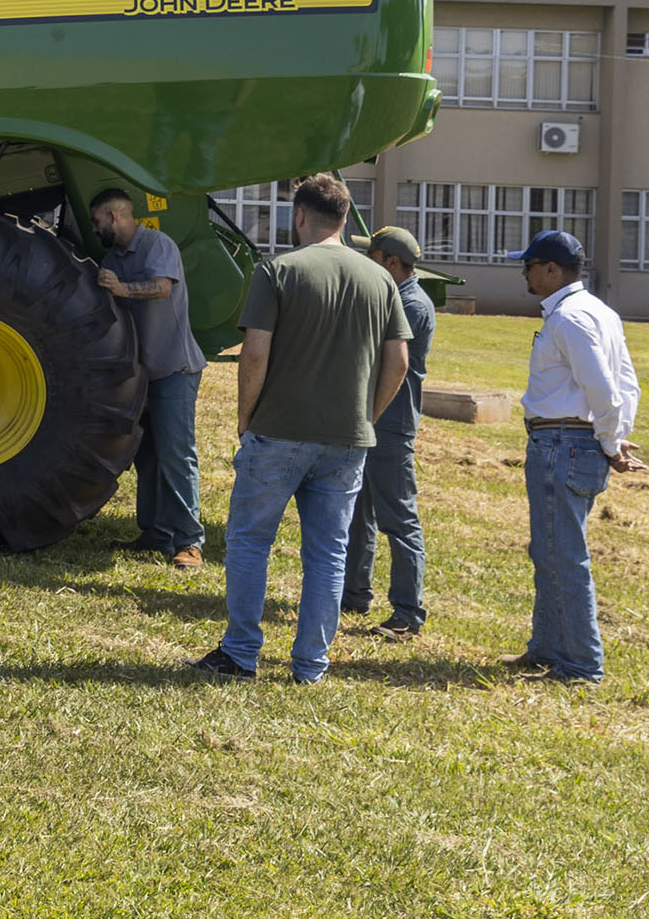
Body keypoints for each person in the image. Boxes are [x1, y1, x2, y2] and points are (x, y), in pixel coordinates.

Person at [194, 172, 407, 683]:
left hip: (279, 431)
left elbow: (255, 352)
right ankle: (311, 663)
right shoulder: (380, 279)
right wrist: (368, 417)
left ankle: (241, 653)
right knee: (328, 554)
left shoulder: (277, 270)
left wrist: (245, 416)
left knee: (250, 542)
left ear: (300, 216)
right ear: (344, 217)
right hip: (347, 438)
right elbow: (398, 361)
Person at [508, 228, 645, 684]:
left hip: (562, 444)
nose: (523, 273)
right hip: (574, 443)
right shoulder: (600, 313)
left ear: (551, 268)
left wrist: (611, 441)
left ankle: (582, 665)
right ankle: (546, 649)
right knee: (550, 551)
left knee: (564, 556)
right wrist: (615, 437)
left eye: (528, 265)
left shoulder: (569, 318)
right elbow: (627, 384)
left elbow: (605, 389)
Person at [91, 188, 210, 570]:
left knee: (177, 456)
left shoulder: (157, 244)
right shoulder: (113, 259)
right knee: (148, 457)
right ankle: (155, 535)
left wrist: (122, 288)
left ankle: (190, 543)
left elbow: (162, 287)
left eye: (97, 222)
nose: (96, 229)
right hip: (143, 375)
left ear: (114, 217)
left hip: (175, 369)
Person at [344, 225, 436, 638]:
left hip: (391, 427)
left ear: (391, 263)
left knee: (399, 520)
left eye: (373, 257)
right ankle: (353, 594)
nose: (367, 263)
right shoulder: (397, 297)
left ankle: (407, 613)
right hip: (371, 422)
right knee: (357, 513)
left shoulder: (412, 305)